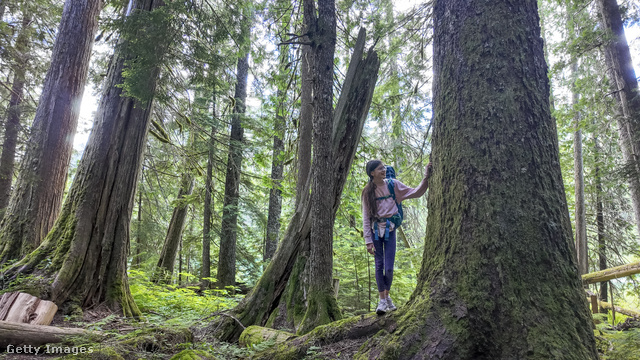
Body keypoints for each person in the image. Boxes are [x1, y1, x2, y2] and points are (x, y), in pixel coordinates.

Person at [361, 159, 432, 314]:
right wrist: (368, 241)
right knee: (379, 266)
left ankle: (386, 298)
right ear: (372, 173)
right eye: (380, 169)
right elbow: (366, 218)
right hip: (375, 232)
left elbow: (416, 192)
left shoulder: (393, 185)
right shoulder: (367, 191)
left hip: (390, 230)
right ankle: (382, 301)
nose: (384, 171)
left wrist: (426, 177)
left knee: (389, 267)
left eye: (384, 168)